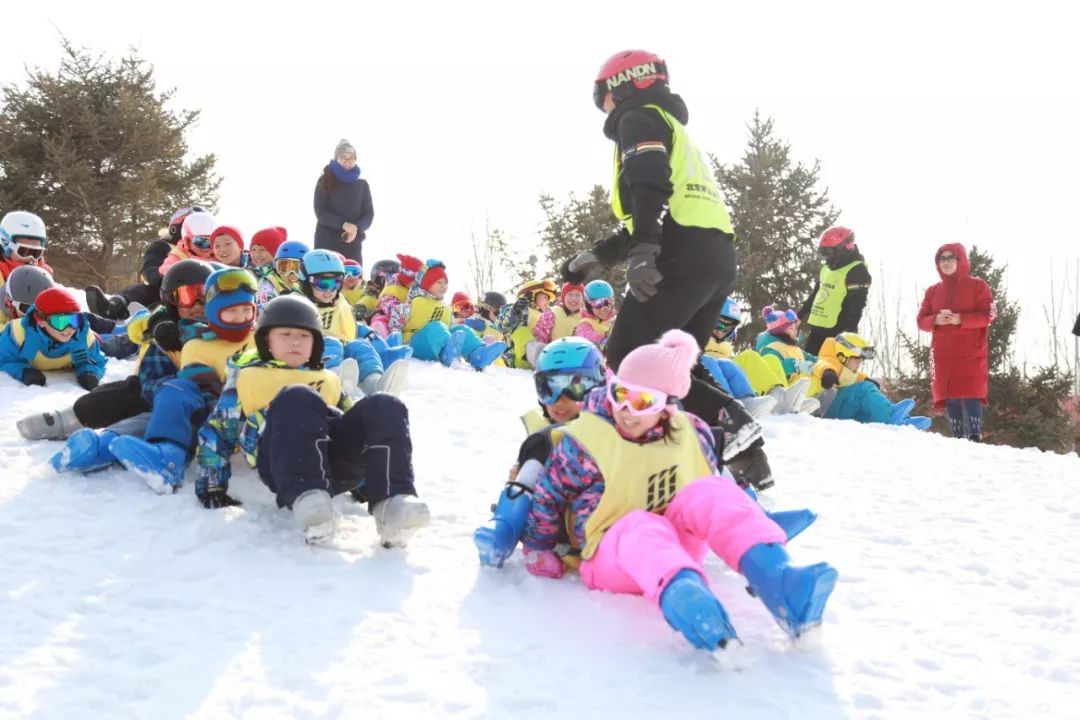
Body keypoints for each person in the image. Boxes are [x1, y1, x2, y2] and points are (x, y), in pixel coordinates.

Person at [518, 330, 837, 650]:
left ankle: (779, 579)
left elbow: (716, 490)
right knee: (641, 526)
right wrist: (538, 546)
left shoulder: (690, 432)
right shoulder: (586, 440)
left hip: (679, 542)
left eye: (643, 401)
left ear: (668, 405)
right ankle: (689, 600)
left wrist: (749, 514)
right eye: (620, 394)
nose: (627, 409)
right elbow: (548, 495)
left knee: (709, 492)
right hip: (611, 553)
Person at [562, 50, 737, 424]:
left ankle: (728, 422)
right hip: (716, 256)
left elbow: (650, 187)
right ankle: (723, 437)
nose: (605, 110)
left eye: (604, 99)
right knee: (670, 362)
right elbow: (659, 208)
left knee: (630, 354)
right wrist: (603, 254)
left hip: (679, 255)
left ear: (624, 87)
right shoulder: (672, 127)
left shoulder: (638, 118)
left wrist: (643, 252)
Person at [194, 294, 429, 546]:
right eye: (285, 334)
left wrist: (363, 480)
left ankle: (393, 503)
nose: (295, 341)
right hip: (280, 462)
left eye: (304, 336)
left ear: (315, 343)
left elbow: (358, 428)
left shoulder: (327, 379)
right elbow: (218, 430)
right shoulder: (248, 378)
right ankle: (311, 503)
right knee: (298, 397)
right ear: (266, 339)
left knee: (385, 405)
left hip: (330, 462)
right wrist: (212, 484)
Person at [18, 260, 214, 443]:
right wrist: (158, 324)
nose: (198, 305)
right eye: (188, 297)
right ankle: (68, 421)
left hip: (213, 407)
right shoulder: (165, 334)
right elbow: (140, 329)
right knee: (124, 394)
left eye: (205, 297)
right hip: (164, 394)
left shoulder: (228, 329)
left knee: (148, 421)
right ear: (170, 299)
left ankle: (113, 444)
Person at [916, 243, 994, 441]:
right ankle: (957, 437)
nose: (946, 262)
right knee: (949, 394)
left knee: (971, 392)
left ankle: (975, 436)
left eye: (951, 257)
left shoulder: (978, 286)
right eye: (942, 258)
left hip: (971, 350)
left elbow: (988, 315)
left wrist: (961, 319)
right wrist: (935, 320)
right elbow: (921, 321)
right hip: (943, 352)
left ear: (961, 260)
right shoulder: (933, 291)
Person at [85, 206, 207, 320]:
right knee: (139, 290)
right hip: (169, 292)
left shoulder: (210, 249)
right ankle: (113, 308)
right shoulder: (163, 247)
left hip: (204, 294)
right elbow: (150, 267)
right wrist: (164, 279)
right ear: (177, 228)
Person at [812, 333, 931, 429]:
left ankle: (903, 423)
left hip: (834, 408)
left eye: (861, 362)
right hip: (822, 406)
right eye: (857, 361)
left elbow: (856, 377)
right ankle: (891, 416)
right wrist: (828, 373)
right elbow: (822, 365)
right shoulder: (829, 363)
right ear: (842, 356)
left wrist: (866, 379)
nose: (859, 364)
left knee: (866, 410)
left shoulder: (847, 370)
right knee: (864, 389)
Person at [0, 286, 106, 389]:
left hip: (96, 340)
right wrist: (24, 371)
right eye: (60, 322)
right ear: (41, 321)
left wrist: (89, 372)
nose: (69, 328)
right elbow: (4, 358)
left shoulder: (84, 338)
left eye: (74, 320)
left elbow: (95, 361)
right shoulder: (18, 334)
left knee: (107, 342)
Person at [798, 226, 872, 356]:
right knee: (809, 364)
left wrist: (848, 334)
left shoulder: (857, 270)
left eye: (829, 252)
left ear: (846, 248)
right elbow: (816, 294)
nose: (827, 257)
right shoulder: (828, 268)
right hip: (817, 328)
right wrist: (799, 316)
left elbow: (857, 306)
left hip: (837, 332)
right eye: (824, 253)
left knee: (831, 367)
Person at [313, 139, 374, 264]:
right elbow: (320, 211)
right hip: (326, 244)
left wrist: (356, 228)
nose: (347, 161)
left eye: (351, 158)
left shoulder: (362, 185)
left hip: (353, 244)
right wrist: (343, 224)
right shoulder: (325, 180)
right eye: (343, 157)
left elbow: (368, 214)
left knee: (352, 275)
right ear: (336, 159)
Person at [574, 279, 616, 350]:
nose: (604, 308)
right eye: (598, 304)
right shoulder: (585, 324)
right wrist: (602, 340)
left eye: (608, 303)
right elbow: (586, 335)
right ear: (588, 305)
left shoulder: (614, 321)